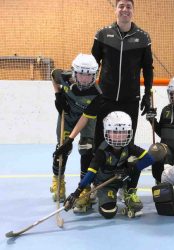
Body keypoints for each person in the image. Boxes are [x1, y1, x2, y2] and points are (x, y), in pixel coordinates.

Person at [54, 0, 153, 200]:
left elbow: (147, 68)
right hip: (104, 97)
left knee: (126, 142)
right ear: (116, 9)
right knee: (100, 143)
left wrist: (148, 95)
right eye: (121, 6)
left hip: (130, 99)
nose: (125, 9)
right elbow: (92, 65)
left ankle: (126, 186)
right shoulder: (102, 34)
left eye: (129, 6)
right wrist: (67, 93)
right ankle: (94, 184)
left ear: (133, 11)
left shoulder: (143, 37)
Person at [64, 111, 155, 218]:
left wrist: (129, 170)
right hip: (106, 183)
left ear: (129, 132)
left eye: (123, 132)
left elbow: (149, 159)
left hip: (123, 179)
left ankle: (129, 192)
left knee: (134, 161)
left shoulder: (130, 147)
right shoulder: (102, 151)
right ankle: (102, 195)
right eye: (115, 132)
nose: (119, 136)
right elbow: (90, 173)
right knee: (108, 212)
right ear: (107, 132)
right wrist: (77, 192)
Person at [50, 53, 99, 209]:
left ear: (95, 75)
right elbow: (54, 74)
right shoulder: (64, 77)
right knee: (61, 150)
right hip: (68, 117)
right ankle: (58, 181)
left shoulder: (97, 94)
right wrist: (58, 95)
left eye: (89, 75)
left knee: (87, 149)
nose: (85, 79)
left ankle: (84, 188)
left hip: (88, 120)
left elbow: (85, 118)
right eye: (81, 74)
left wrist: (71, 139)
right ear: (74, 72)